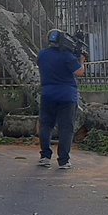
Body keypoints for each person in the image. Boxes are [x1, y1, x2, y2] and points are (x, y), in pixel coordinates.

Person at [36, 30, 86, 170]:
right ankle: (63, 160)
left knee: (46, 125)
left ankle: (45, 156)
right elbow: (79, 72)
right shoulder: (67, 56)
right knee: (66, 128)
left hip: (48, 94)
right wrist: (81, 61)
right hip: (67, 96)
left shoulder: (42, 55)